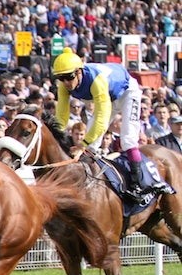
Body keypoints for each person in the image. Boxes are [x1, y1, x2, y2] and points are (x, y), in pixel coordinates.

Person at [52, 47, 172, 201]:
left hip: (127, 91)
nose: (66, 82)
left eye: (68, 77)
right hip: (109, 95)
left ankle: (138, 184)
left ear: (79, 71)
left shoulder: (96, 80)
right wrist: (56, 135)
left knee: (127, 138)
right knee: (91, 145)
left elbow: (101, 120)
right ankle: (88, 182)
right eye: (60, 78)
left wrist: (83, 144)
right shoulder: (63, 86)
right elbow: (61, 116)